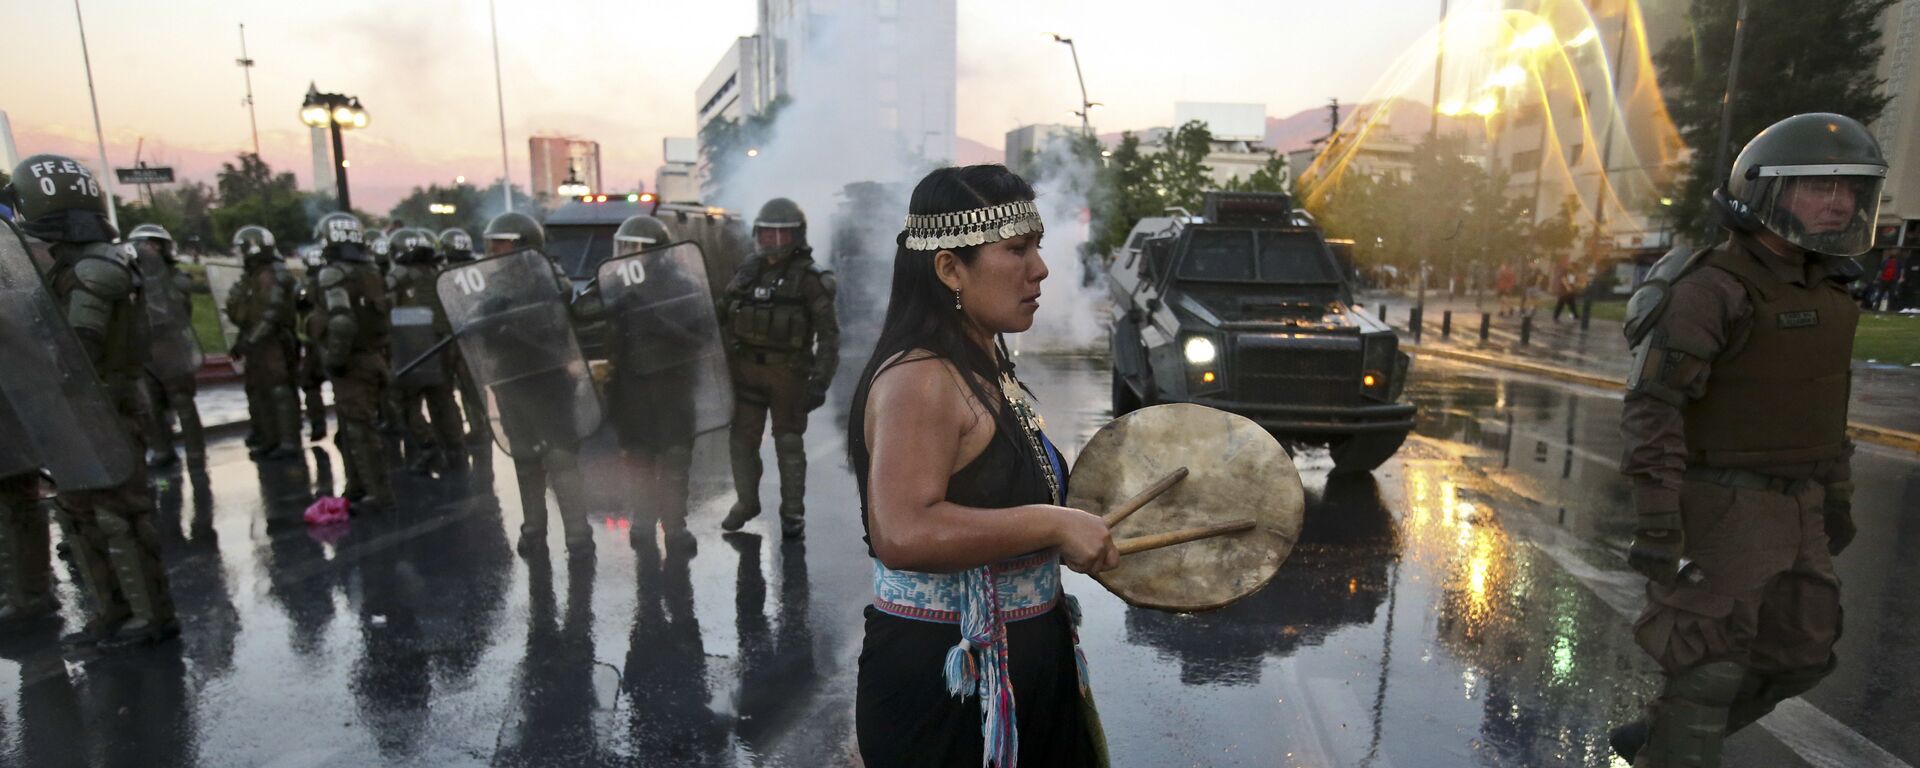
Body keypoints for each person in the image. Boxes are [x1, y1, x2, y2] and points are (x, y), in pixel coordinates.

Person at [1611, 113, 1886, 767]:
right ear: (1765, 191)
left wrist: (1834, 498)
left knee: (1803, 654)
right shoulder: (1711, 287)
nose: (1839, 202)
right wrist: (1655, 520)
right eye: (1819, 187)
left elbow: (1821, 406)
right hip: (1720, 506)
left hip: (1801, 504)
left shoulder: (1831, 288)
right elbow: (1653, 410)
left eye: (1850, 189)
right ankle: (1678, 743)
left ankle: (1659, 737)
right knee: (1706, 671)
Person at [848, 165, 1113, 767]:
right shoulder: (922, 377)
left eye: (1037, 247)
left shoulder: (984, 362)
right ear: (949, 268)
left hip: (1024, 665)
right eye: (1016, 249)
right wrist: (1051, 524)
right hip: (950, 689)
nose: (1039, 269)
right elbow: (903, 532)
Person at [5, 154, 178, 647]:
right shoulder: (72, 265)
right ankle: (111, 612)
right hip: (76, 411)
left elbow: (76, 350)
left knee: (119, 516)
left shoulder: (96, 268)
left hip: (107, 409)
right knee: (79, 513)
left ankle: (149, 616)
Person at [718, 197, 840, 538]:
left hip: (788, 373)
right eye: (767, 234)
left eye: (781, 235)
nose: (772, 241)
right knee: (741, 442)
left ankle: (792, 514)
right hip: (745, 371)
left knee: (788, 442)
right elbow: (722, 311)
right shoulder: (747, 270)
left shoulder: (811, 280)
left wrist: (820, 381)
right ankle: (746, 503)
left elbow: (829, 336)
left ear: (796, 236)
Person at [480, 212, 596, 557]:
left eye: (501, 242)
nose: (494, 248)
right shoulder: (497, 282)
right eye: (493, 242)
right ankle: (533, 529)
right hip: (511, 380)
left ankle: (577, 533)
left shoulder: (548, 278)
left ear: (522, 244)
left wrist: (508, 317)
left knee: (560, 457)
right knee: (525, 457)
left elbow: (548, 319)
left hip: (548, 381)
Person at [312, 212, 395, 513]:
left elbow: (343, 323)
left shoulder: (334, 274)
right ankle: (358, 486)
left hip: (353, 361)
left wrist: (334, 359)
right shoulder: (372, 272)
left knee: (360, 429)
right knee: (351, 428)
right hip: (373, 356)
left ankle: (378, 493)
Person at [126, 224, 208, 467]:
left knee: (182, 401)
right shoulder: (132, 277)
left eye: (151, 244)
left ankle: (195, 453)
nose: (146, 250)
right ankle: (162, 450)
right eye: (142, 245)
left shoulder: (175, 277)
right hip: (145, 350)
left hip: (172, 349)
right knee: (151, 405)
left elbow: (179, 310)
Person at [385, 227, 464, 474]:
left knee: (404, 401)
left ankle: (428, 446)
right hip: (444, 344)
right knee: (444, 400)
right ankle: (456, 450)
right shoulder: (439, 273)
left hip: (413, 347)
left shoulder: (399, 276)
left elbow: (383, 305)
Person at [226, 225, 304, 460]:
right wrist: (244, 340)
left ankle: (289, 441)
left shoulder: (274, 274)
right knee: (261, 392)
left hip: (275, 342)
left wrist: (252, 339)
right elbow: (247, 312)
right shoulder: (254, 275)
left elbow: (273, 312)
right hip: (259, 342)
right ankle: (271, 438)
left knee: (279, 390)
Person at [437, 227, 489, 445]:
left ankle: (459, 431)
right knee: (474, 387)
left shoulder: (442, 273)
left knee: (449, 388)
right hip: (473, 335)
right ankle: (481, 426)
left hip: (450, 337)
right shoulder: (477, 270)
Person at [295, 245, 331, 442]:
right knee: (310, 382)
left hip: (322, 341)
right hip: (315, 342)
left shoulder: (311, 285)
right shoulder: (327, 282)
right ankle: (319, 425)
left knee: (312, 382)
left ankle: (320, 424)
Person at [1550, 257, 1582, 322]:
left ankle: (1575, 316)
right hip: (1563, 291)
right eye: (1575, 268)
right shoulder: (1565, 271)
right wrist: (1568, 287)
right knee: (1560, 304)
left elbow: (1572, 281)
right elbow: (1563, 279)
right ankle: (1555, 317)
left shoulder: (1572, 273)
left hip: (1569, 292)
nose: (1575, 269)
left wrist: (1576, 286)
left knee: (1572, 304)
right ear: (1572, 267)